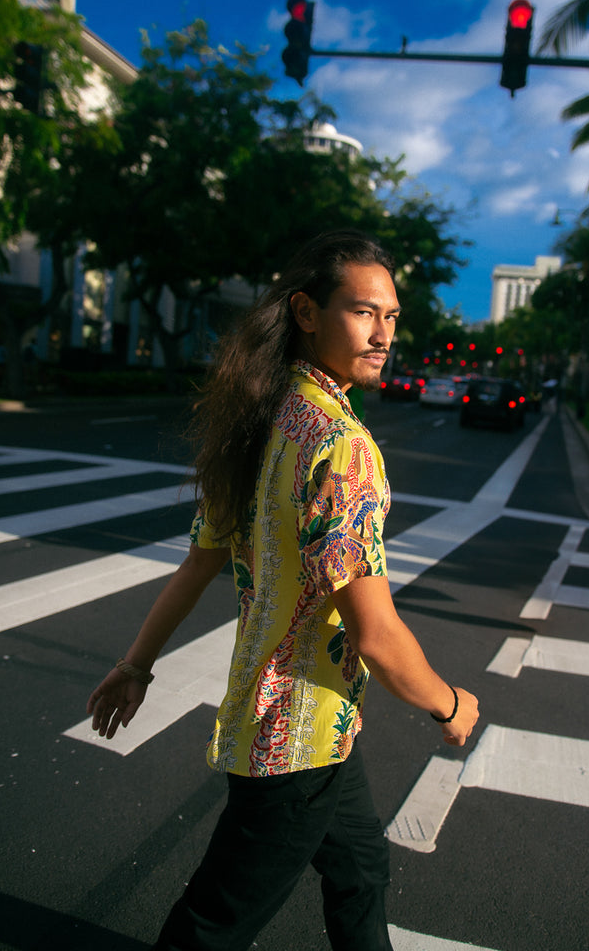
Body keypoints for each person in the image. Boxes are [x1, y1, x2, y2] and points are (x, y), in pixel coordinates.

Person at [87, 229, 479, 951]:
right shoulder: (338, 444)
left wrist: (136, 664)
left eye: (391, 317)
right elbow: (375, 633)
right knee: (213, 925)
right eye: (364, 312)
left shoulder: (264, 419)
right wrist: (450, 703)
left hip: (312, 725)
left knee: (360, 872)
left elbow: (199, 564)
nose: (383, 333)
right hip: (293, 740)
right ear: (305, 311)